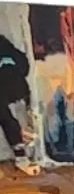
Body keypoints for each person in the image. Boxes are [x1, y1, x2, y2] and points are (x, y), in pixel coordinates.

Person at [0, 28, 40, 176]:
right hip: (12, 84)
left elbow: (23, 63)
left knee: (7, 118)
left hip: (11, 82)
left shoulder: (2, 43)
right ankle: (21, 155)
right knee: (7, 118)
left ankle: (22, 155)